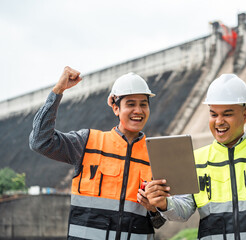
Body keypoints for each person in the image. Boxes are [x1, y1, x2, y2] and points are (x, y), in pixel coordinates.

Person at [144, 60, 246, 240]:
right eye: (213, 114)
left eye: (227, 114)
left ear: (245, 115)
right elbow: (183, 210)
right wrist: (163, 204)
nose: (219, 121)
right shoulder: (197, 160)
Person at [29, 66, 165, 240]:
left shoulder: (157, 154)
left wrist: (154, 210)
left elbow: (159, 222)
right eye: (130, 104)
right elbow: (40, 141)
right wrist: (58, 90)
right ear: (116, 108)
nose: (138, 110)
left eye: (143, 104)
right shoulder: (87, 142)